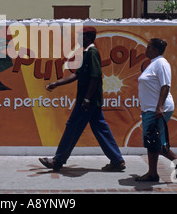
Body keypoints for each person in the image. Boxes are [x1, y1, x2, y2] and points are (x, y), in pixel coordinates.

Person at [39, 26, 125, 172]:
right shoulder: (86, 53)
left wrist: (86, 98)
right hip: (92, 100)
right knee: (100, 128)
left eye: (81, 36)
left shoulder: (92, 53)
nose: (78, 38)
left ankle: (57, 160)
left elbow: (95, 77)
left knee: (72, 126)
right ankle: (117, 160)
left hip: (87, 101)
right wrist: (57, 83)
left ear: (88, 37)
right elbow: (78, 74)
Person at [136, 38, 177, 182]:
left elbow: (165, 86)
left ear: (156, 50)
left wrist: (159, 107)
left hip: (156, 109)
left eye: (149, 47)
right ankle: (173, 162)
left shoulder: (161, 63)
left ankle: (154, 172)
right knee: (154, 141)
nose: (146, 49)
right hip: (150, 109)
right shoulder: (153, 64)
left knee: (152, 140)